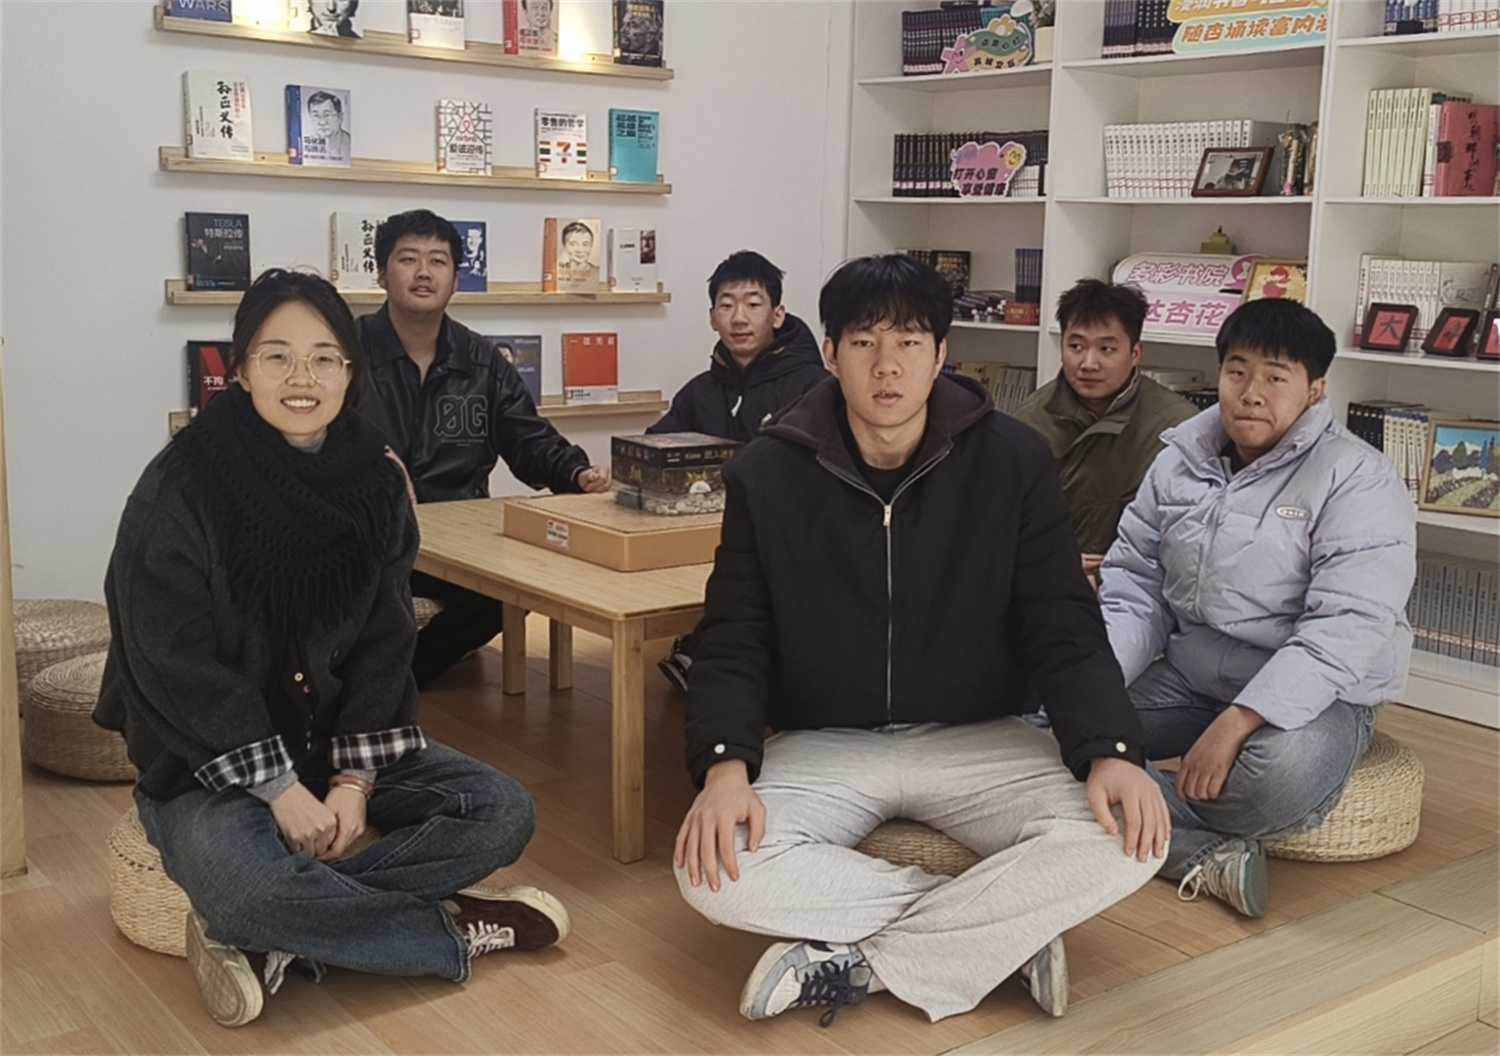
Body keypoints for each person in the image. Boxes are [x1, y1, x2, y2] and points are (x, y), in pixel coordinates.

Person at [673, 254, 1167, 1027]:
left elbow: (1060, 619)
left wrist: (1111, 749)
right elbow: (734, 631)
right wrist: (725, 766)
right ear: (829, 353)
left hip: (979, 733)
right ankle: (1000, 933)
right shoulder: (767, 473)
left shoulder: (1012, 460)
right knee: (713, 873)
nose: (887, 366)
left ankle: (859, 959)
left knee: (1134, 836)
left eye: (908, 342)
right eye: (864, 342)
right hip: (827, 738)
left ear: (941, 355)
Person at [94, 269, 570, 1029]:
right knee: (250, 889)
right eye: (276, 356)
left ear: (351, 372)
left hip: (331, 735)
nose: (302, 378)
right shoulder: (181, 486)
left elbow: (386, 637)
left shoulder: (374, 479)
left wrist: (352, 779)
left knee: (502, 811)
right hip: (207, 760)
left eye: (324, 358)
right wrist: (281, 790)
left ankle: (278, 940)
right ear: (239, 369)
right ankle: (447, 930)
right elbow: (167, 662)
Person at [1099, 297, 1416, 918]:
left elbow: (1347, 626)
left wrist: (1239, 721)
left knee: (1276, 782)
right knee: (1047, 718)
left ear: (1315, 390)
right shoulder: (1178, 461)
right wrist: (1098, 685)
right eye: (1237, 371)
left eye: (1275, 377)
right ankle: (1198, 851)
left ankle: (1099, 803)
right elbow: (1135, 584)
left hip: (1319, 695)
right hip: (1193, 675)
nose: (1251, 392)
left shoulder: (1359, 478)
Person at [357, 209, 610, 687]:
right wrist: (369, 455)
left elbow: (528, 438)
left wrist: (577, 474)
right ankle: (387, 677)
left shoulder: (482, 361)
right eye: (408, 259)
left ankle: (394, 678)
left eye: (438, 261)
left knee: (523, 580)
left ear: (456, 279)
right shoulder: (346, 353)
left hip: (458, 542)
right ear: (382, 274)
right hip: (369, 538)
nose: (424, 272)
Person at [648, 250, 826, 692]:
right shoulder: (700, 391)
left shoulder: (814, 388)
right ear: (712, 318)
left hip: (787, 536)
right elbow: (654, 449)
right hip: (703, 530)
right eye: (726, 305)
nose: (739, 318)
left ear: (778, 314)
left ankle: (708, 655)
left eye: (753, 304)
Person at [1012, 279, 1195, 573]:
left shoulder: (1176, 427)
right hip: (1044, 578)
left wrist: (1114, 568)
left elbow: (1189, 534)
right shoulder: (1029, 420)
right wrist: (1057, 562)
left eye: (1106, 349)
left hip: (1142, 584)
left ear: (1135, 353)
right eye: (1076, 346)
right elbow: (1004, 522)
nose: (1088, 363)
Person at [306, 91, 352, 163]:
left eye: (327, 115)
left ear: (340, 117)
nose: (322, 122)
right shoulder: (307, 144)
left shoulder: (350, 144)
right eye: (316, 115)